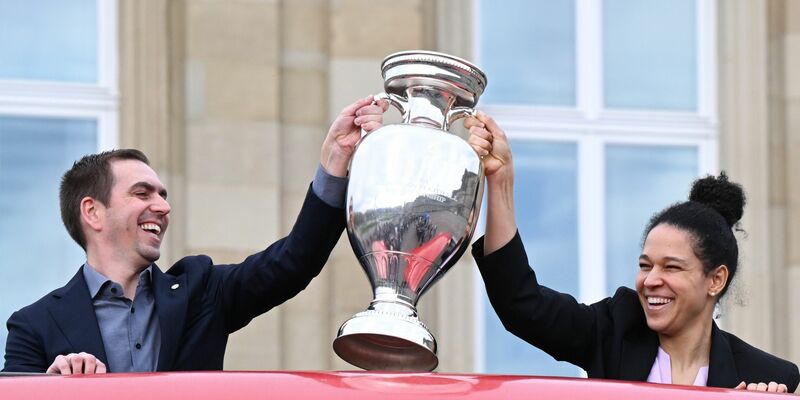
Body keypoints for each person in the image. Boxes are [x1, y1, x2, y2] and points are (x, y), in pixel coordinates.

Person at [2, 96, 389, 374]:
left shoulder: (202, 291)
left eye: (163, 195)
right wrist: (50, 388)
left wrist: (335, 161)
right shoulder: (33, 326)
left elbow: (294, 261)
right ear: (93, 212)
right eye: (142, 193)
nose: (162, 207)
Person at [464, 112, 800, 393]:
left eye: (671, 267)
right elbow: (521, 303)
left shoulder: (764, 376)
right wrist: (501, 179)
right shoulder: (615, 328)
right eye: (645, 265)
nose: (651, 280)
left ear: (716, 279)